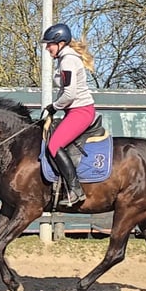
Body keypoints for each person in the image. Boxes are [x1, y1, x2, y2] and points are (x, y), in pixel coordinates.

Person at [39, 22, 96, 207]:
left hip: (80, 111)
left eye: (50, 44)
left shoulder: (68, 60)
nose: (47, 48)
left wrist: (54, 106)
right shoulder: (65, 58)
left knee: (54, 144)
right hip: (73, 110)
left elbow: (70, 94)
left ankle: (75, 190)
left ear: (60, 43)